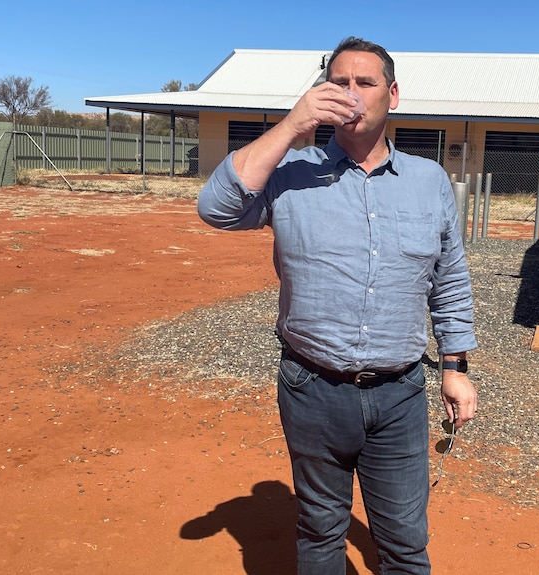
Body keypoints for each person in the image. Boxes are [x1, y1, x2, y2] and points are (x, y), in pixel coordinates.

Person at [198, 36, 477, 575]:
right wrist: (289, 126)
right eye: (339, 82)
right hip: (312, 388)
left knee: (403, 542)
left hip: (399, 393)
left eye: (365, 83)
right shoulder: (290, 172)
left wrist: (455, 367)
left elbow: (450, 279)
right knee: (322, 532)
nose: (351, 95)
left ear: (392, 96)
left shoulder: (429, 182)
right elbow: (216, 209)